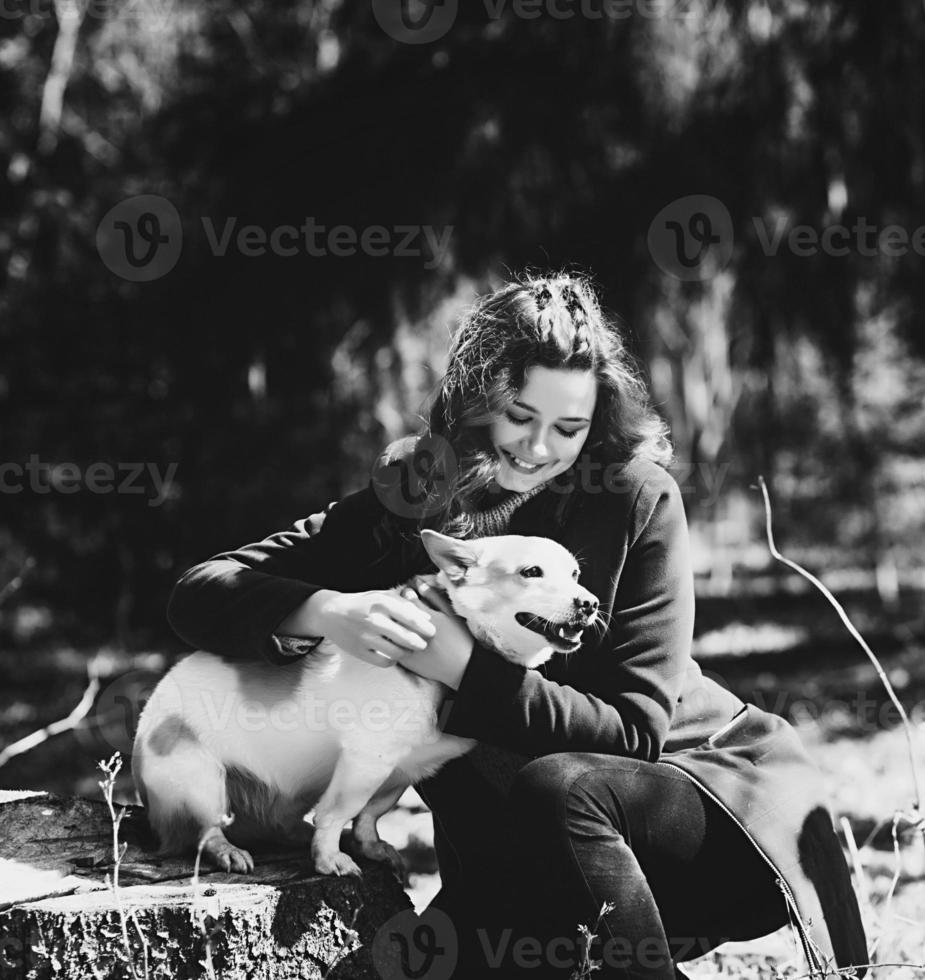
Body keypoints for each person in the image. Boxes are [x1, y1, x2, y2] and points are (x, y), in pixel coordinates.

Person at [166, 273, 868, 979]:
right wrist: (324, 610)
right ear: (476, 404)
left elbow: (633, 732)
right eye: (517, 416)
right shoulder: (415, 502)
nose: (536, 448)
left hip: (709, 812)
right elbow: (200, 591)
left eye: (568, 428)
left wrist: (462, 670)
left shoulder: (633, 494)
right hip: (520, 865)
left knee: (558, 788)